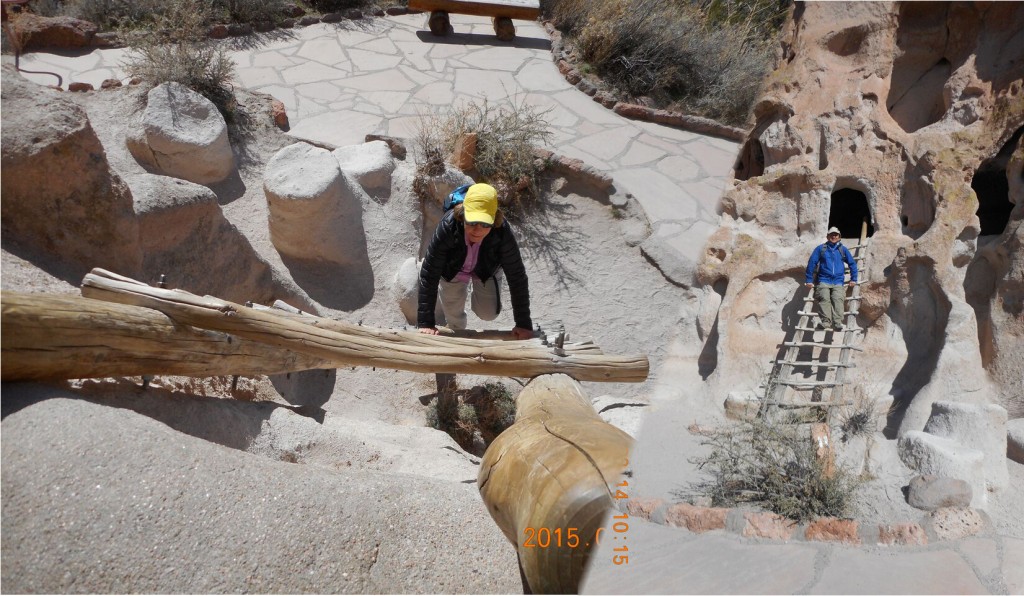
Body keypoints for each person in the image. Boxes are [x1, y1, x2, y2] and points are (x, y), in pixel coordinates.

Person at [418, 183, 533, 340]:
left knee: (488, 314)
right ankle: (456, 336)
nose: (477, 229)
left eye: (485, 224)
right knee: (455, 322)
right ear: (463, 215)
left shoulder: (502, 232)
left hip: (485, 269)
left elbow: (517, 276)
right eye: (472, 222)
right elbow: (429, 273)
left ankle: (475, 289)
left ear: (494, 219)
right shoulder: (448, 226)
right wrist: (425, 323)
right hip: (453, 270)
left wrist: (524, 324)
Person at [805, 226, 858, 331]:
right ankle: (826, 322)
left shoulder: (842, 249)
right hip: (824, 279)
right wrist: (809, 280)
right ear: (828, 236)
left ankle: (837, 322)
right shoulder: (821, 248)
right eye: (831, 235)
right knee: (824, 299)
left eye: (836, 235)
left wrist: (854, 279)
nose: (834, 236)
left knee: (838, 299)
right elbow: (812, 263)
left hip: (838, 280)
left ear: (839, 237)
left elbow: (852, 263)